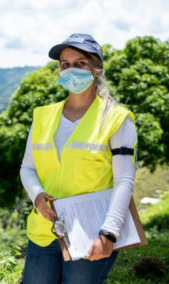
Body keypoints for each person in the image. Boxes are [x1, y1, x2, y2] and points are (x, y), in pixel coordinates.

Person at [20, 33, 137, 283]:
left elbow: (124, 181)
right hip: (45, 231)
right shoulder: (42, 116)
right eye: (65, 64)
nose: (71, 69)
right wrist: (37, 195)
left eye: (80, 63)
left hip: (91, 232)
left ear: (96, 69)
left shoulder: (117, 119)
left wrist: (109, 233)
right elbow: (27, 168)